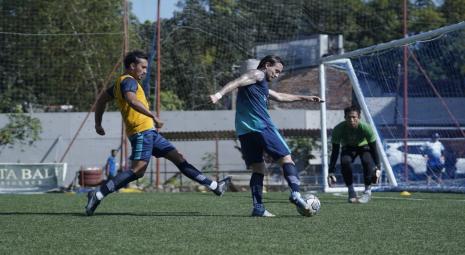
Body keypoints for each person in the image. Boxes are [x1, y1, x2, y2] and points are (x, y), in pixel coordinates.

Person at [85, 50, 231, 216]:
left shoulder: (119, 83)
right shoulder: (129, 81)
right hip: (142, 132)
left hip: (150, 133)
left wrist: (98, 123)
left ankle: (215, 186)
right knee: (138, 169)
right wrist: (152, 115)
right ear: (132, 66)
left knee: (179, 159)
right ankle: (97, 194)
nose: (146, 71)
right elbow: (132, 100)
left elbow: (101, 100)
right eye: (143, 67)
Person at [210, 55, 323, 217]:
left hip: (244, 131)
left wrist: (305, 98)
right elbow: (239, 80)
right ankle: (296, 193)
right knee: (286, 159)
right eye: (276, 71)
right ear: (267, 65)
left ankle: (258, 208)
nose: (277, 75)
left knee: (259, 169)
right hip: (262, 127)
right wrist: (218, 95)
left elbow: (280, 96)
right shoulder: (258, 74)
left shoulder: (259, 85)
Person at [327, 105, 381, 204]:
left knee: (367, 161)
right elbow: (335, 151)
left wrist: (378, 167)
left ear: (359, 117)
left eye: (354, 117)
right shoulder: (338, 129)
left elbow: (373, 149)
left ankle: (367, 191)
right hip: (348, 147)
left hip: (363, 146)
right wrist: (331, 171)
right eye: (349, 117)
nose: (351, 120)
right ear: (345, 118)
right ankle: (351, 191)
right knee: (345, 161)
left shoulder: (366, 128)